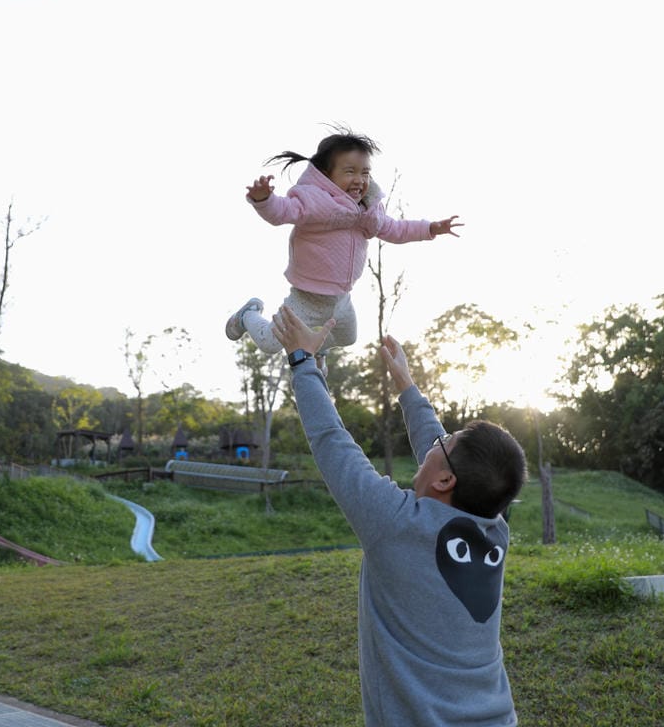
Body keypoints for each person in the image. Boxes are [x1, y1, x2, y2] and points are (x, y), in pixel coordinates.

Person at [270, 305, 528, 726]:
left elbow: (332, 441)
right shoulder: (494, 530)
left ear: (445, 480)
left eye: (443, 443)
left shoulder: (394, 523)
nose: (434, 442)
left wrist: (303, 361)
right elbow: (445, 453)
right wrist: (406, 385)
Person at [225, 128, 462, 371]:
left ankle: (316, 347)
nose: (359, 179)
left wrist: (431, 228)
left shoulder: (368, 211)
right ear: (326, 175)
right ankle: (248, 315)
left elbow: (396, 229)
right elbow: (282, 212)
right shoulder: (314, 201)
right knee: (269, 343)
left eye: (365, 172)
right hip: (306, 298)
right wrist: (265, 200)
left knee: (349, 337)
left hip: (341, 299)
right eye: (350, 172)